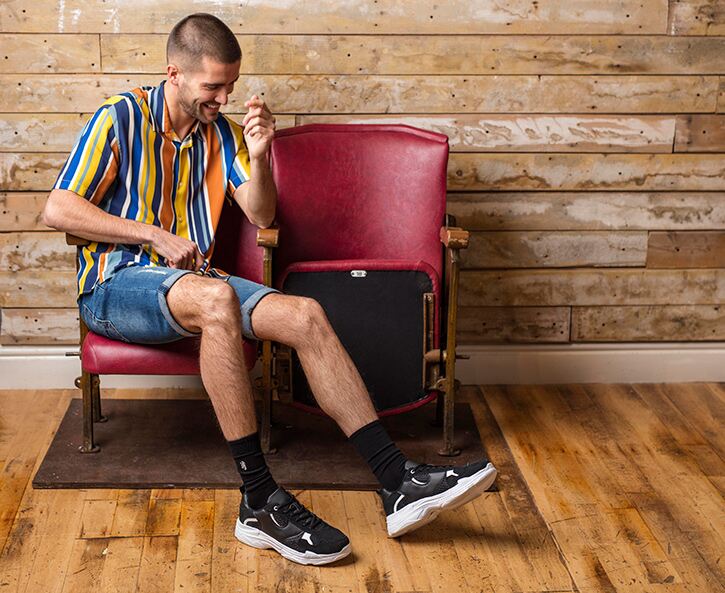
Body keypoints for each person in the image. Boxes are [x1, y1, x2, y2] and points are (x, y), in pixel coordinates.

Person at [42, 13, 498, 566]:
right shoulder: (119, 118)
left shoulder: (222, 132)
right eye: (213, 86)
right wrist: (154, 236)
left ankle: (397, 481)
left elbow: (259, 213)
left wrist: (259, 155)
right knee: (217, 299)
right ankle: (258, 498)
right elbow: (57, 207)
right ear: (174, 73)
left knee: (305, 314)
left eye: (230, 85)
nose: (223, 96)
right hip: (115, 286)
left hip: (193, 283)